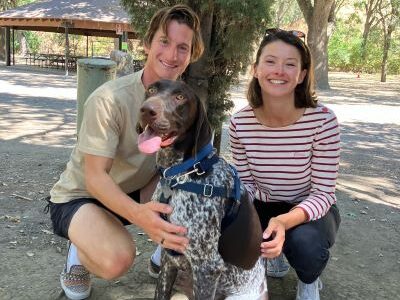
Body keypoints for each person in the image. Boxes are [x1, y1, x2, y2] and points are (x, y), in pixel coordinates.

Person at [46, 5, 204, 300]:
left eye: (183, 47)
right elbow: (94, 178)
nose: (172, 55)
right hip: (83, 195)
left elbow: (182, 163)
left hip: (137, 187)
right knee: (117, 259)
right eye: (164, 42)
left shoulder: (184, 102)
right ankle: (79, 252)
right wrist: (142, 217)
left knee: (199, 206)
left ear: (192, 54)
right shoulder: (109, 99)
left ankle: (162, 257)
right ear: (147, 43)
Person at [229, 28, 341, 300]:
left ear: (302, 75)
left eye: (290, 64)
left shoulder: (323, 121)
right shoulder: (240, 123)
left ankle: (309, 279)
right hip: (264, 204)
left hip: (310, 210)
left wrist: (283, 222)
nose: (279, 71)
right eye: (270, 61)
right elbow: (247, 185)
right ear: (255, 69)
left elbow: (323, 193)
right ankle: (270, 253)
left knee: (305, 245)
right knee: (229, 224)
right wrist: (247, 223)